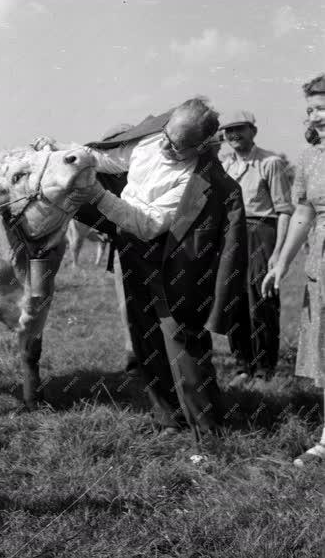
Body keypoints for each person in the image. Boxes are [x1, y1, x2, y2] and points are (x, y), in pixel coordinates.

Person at [72, 98, 249, 440]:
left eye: (178, 147)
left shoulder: (197, 179)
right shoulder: (152, 140)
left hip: (172, 263)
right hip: (132, 253)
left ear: (200, 146)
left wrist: (96, 195)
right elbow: (106, 158)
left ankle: (209, 433)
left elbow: (147, 224)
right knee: (145, 338)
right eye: (166, 137)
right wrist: (68, 154)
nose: (166, 148)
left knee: (181, 342)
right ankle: (169, 419)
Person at [262, 73, 325, 467]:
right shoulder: (308, 158)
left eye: (321, 107)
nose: (314, 116)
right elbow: (303, 212)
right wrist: (282, 263)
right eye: (310, 109)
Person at [220, 111, 294, 386]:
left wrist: (277, 252)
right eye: (228, 131)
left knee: (261, 299)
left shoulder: (270, 163)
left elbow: (285, 210)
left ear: (253, 130)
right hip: (231, 234)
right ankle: (242, 366)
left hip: (261, 231)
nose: (233, 135)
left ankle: (264, 368)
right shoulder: (225, 165)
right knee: (233, 300)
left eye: (239, 128)